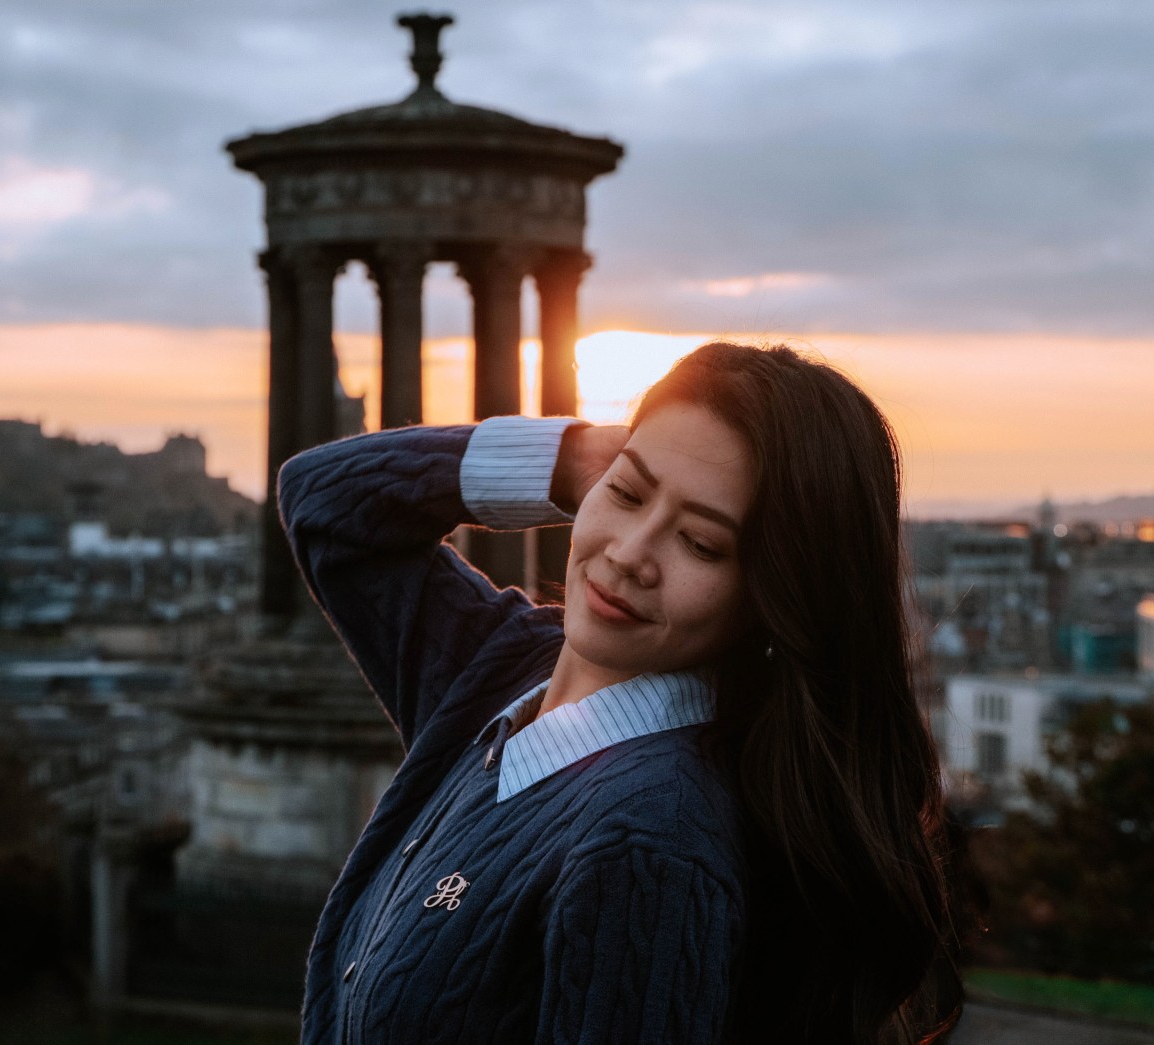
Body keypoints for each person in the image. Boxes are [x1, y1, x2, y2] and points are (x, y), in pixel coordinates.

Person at [279, 341, 960, 1044]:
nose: (630, 553)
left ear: (772, 597)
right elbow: (326, 503)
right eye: (627, 492)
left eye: (700, 543)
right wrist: (566, 457)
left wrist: (632, 471)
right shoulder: (501, 672)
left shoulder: (646, 848)